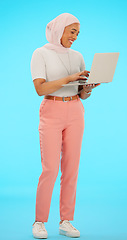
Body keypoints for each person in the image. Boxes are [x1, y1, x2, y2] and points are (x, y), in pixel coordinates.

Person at [30, 12, 100, 239]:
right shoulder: (40, 53)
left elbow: (82, 93)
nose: (75, 37)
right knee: (50, 169)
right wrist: (70, 78)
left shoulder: (77, 55)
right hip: (51, 110)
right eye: (72, 31)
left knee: (71, 168)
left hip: (75, 110)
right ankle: (40, 221)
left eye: (78, 33)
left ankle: (66, 220)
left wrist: (88, 87)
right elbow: (40, 89)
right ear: (60, 29)